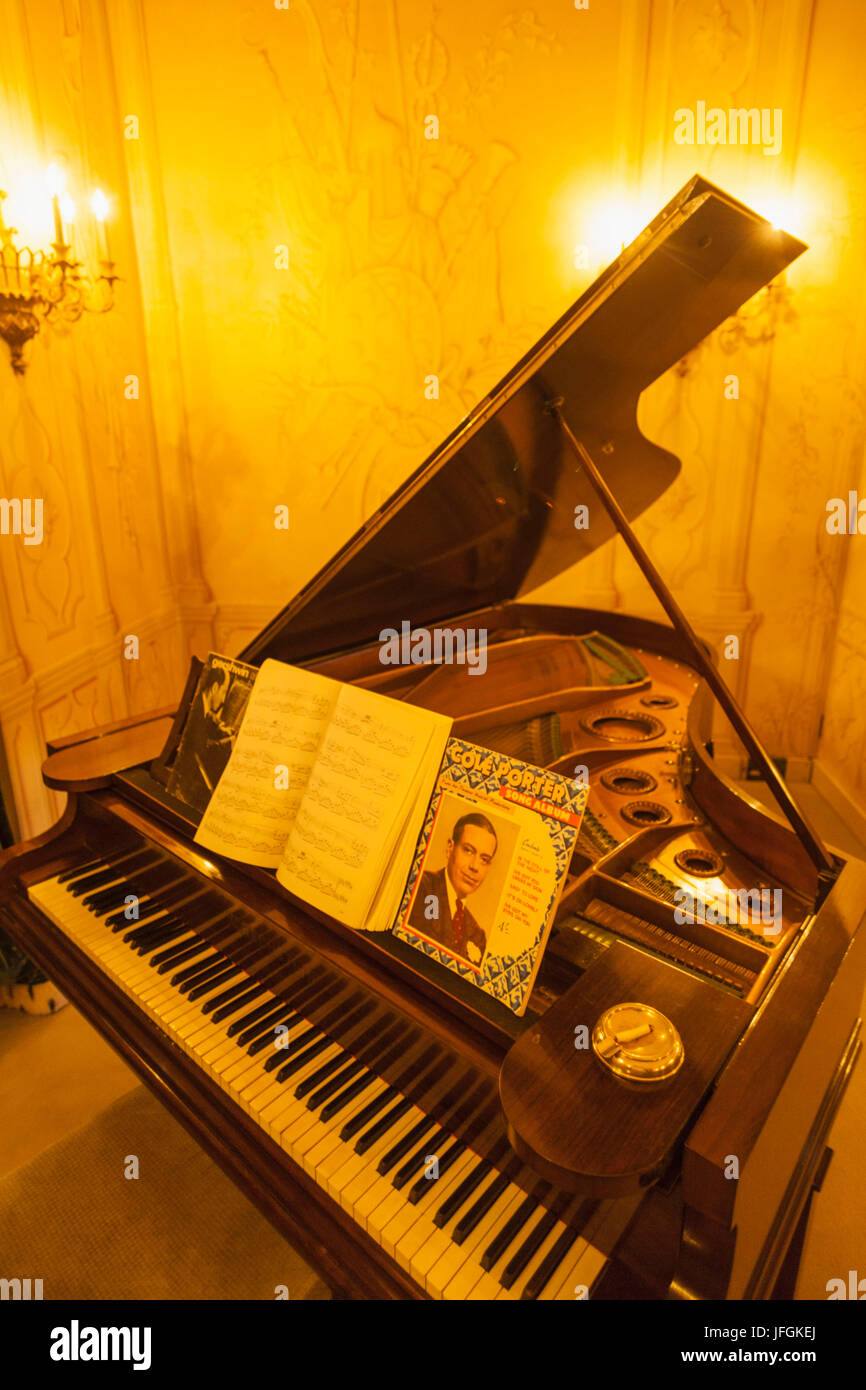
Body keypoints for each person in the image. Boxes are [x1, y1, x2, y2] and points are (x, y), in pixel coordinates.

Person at [408, 812, 497, 965]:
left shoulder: (478, 935)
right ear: (450, 848)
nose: (474, 866)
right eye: (468, 850)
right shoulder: (421, 887)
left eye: (484, 859)